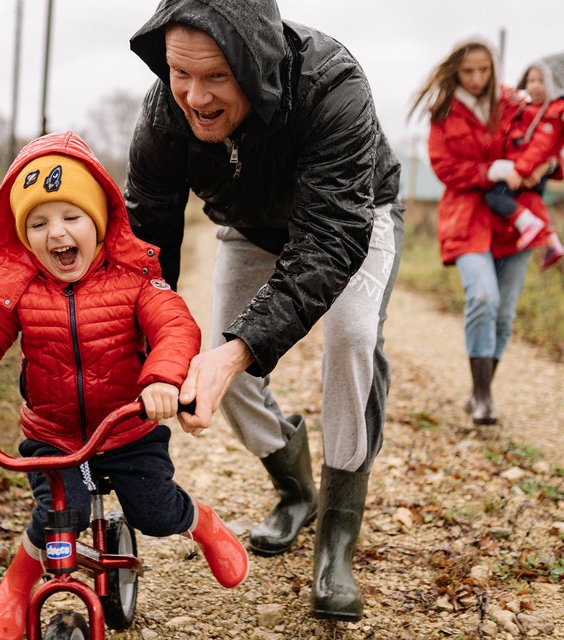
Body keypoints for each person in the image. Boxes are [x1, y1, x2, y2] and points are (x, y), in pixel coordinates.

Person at [124, 0, 405, 622]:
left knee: (352, 337)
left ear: (254, 64)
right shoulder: (163, 114)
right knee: (221, 363)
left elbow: (330, 239)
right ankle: (296, 490)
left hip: (352, 218)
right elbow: (146, 246)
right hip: (249, 226)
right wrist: (144, 349)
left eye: (216, 76)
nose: (195, 97)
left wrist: (239, 350)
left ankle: (336, 541)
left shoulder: (332, 84)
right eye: (179, 73)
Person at [0, 130, 248, 640]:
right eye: (39, 223)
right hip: (54, 436)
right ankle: (17, 584)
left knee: (156, 513)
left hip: (127, 429)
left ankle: (202, 523)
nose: (57, 233)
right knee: (57, 517)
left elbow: (176, 327)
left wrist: (161, 380)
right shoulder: (17, 288)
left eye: (72, 216)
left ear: (99, 220)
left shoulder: (134, 278)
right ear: (24, 235)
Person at [409, 38, 552, 426]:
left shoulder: (513, 103)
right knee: (483, 297)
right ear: (456, 70)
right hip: (467, 216)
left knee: (504, 313)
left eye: (483, 70)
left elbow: (545, 134)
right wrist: (488, 171)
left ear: (494, 69)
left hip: (515, 217)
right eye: (468, 71)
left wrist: (546, 162)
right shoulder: (444, 111)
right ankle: (484, 397)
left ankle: (479, 392)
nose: (476, 78)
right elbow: (444, 166)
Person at [484, 45, 564, 268]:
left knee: (495, 197)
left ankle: (527, 224)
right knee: (532, 202)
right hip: (527, 168)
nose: (534, 86)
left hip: (525, 169)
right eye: (531, 80)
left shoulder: (550, 114)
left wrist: (520, 171)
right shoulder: (529, 109)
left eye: (541, 81)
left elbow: (540, 147)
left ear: (554, 85)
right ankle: (552, 241)